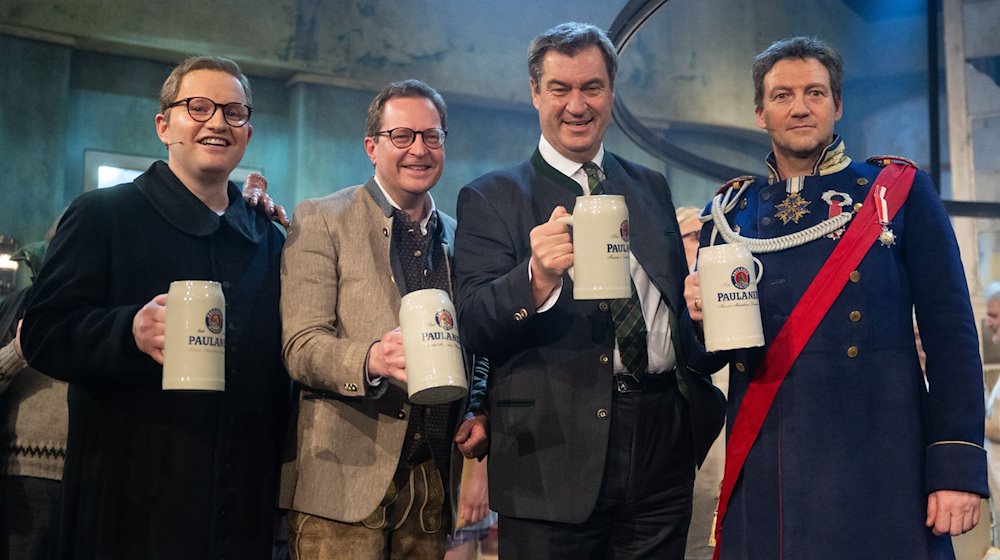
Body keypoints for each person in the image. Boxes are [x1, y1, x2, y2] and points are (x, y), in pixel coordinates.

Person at [685, 36, 986, 559]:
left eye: (814, 93)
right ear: (760, 112)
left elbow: (952, 335)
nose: (799, 107)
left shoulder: (897, 192)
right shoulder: (727, 212)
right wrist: (696, 320)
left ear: (837, 105)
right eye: (782, 95)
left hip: (880, 459)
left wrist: (956, 466)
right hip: (769, 461)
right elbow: (712, 356)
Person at [453, 22, 726, 559]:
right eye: (560, 89)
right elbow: (475, 324)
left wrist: (698, 316)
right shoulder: (491, 196)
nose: (577, 104)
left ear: (612, 93)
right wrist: (534, 278)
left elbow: (668, 311)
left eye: (592, 88)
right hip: (551, 454)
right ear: (535, 93)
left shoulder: (650, 186)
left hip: (661, 447)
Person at [20, 55, 289, 560]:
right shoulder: (104, 215)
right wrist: (128, 332)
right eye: (199, 107)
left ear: (247, 134)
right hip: (129, 497)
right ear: (164, 125)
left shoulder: (266, 239)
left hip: (240, 502)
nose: (217, 122)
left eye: (234, 112)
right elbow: (41, 332)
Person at [278, 78, 488, 560]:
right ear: (372, 147)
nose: (419, 149)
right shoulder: (322, 218)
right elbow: (301, 346)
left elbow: (476, 343)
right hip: (343, 486)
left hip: (433, 483)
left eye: (432, 136)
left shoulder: (460, 237)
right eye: (402, 136)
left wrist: (477, 405)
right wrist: (370, 358)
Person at [0, 230, 65, 560]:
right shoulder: (16, 305)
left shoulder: (115, 304)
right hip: (20, 479)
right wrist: (17, 350)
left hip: (90, 479)